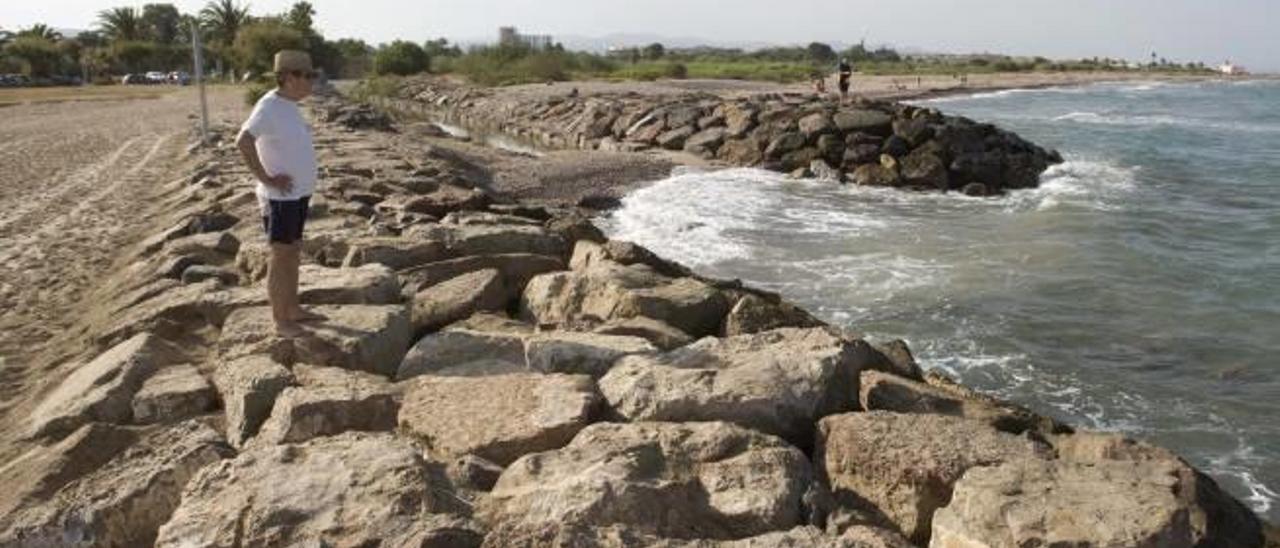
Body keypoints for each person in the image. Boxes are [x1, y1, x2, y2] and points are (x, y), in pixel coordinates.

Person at [236, 50, 322, 337]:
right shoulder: (268, 107)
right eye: (306, 76)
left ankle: (293, 309)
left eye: (313, 75)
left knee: (293, 251)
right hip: (281, 197)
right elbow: (244, 141)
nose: (311, 81)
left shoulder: (289, 105)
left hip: (298, 194)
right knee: (281, 254)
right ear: (286, 77)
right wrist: (266, 178)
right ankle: (280, 320)